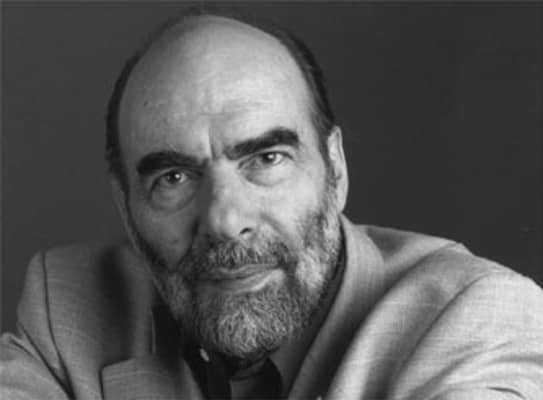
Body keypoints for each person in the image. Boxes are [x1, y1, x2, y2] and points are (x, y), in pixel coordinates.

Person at [2, 10, 543, 400]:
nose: (225, 220)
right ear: (126, 208)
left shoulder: (479, 316)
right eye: (173, 178)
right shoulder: (68, 304)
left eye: (266, 159)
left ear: (335, 169)